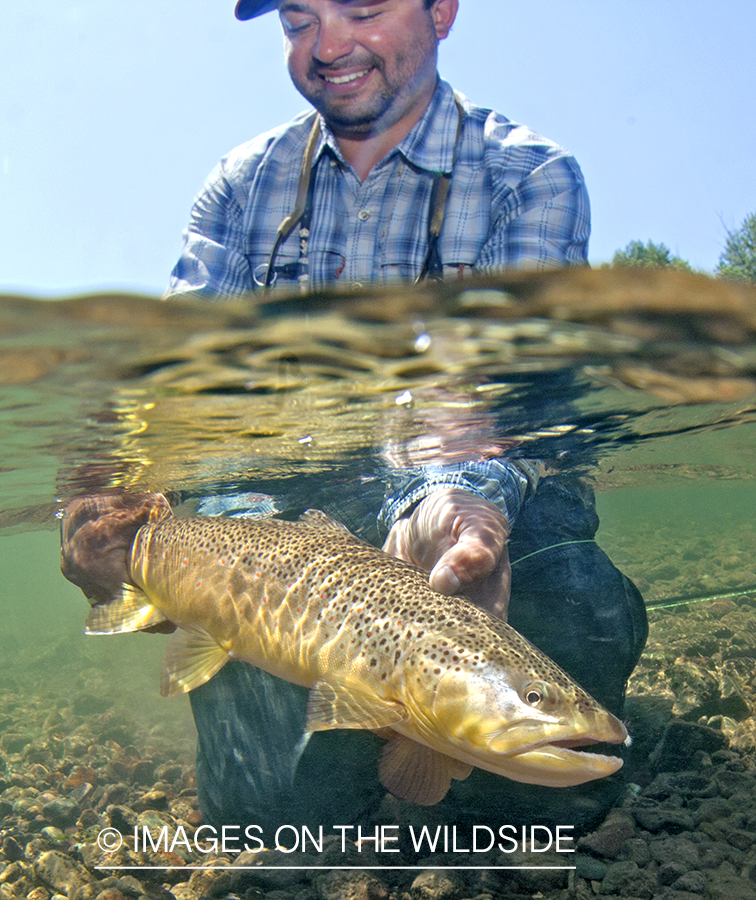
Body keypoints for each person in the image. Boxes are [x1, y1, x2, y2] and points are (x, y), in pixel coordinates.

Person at [157, 0, 644, 836]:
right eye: (299, 20)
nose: (329, 46)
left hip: (477, 504)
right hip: (302, 520)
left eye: (361, 8)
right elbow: (190, 390)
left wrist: (453, 497)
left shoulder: (528, 177)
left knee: (574, 611)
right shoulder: (241, 187)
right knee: (272, 821)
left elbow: (491, 386)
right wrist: (162, 529)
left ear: (442, 10)